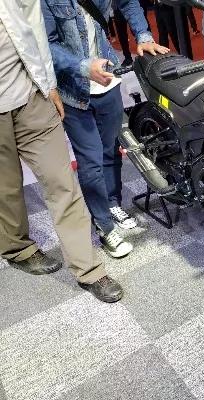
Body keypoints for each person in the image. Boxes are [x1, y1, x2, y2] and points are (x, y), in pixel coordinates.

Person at [0, 0, 123, 302]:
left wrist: (49, 84)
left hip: (31, 95)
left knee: (62, 183)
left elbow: (35, 30)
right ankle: (18, 249)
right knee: (6, 188)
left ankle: (89, 269)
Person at [42, 0, 169, 257]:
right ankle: (104, 225)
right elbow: (47, 45)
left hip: (108, 81)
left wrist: (143, 35)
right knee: (90, 161)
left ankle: (112, 203)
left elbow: (128, 2)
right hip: (74, 91)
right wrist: (82, 66)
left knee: (111, 150)